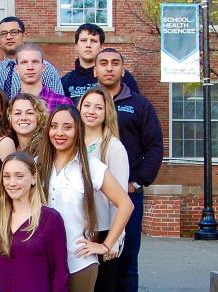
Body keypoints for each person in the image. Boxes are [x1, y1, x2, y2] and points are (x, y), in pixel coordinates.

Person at [38, 105, 133, 292]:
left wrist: (105, 246)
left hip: (78, 262)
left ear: (78, 130)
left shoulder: (92, 167)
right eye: (54, 126)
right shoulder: (37, 165)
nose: (59, 132)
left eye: (67, 127)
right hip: (42, 260)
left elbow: (125, 205)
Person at [95, 48, 164, 292]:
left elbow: (154, 147)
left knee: (125, 261)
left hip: (127, 194)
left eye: (115, 63)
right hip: (93, 196)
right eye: (103, 63)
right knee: (95, 260)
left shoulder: (139, 105)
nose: (109, 67)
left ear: (123, 70)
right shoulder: (86, 105)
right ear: (95, 70)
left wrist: (136, 183)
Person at [0, 151, 69, 292]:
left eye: (19, 176)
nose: (12, 183)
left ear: (34, 178)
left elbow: (60, 274)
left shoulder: (51, 219)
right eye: (6, 176)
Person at [78, 87, 130, 292]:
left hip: (104, 230)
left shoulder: (113, 147)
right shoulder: (73, 142)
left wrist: (113, 241)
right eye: (87, 105)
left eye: (98, 107)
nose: (91, 111)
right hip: (80, 228)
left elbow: (121, 200)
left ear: (107, 112)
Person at [61, 23, 140, 104]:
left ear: (101, 46)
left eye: (93, 41)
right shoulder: (66, 81)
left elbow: (137, 106)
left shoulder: (121, 76)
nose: (88, 45)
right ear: (76, 45)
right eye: (83, 40)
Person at [0, 16, 64, 99]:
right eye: (3, 34)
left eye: (14, 32)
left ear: (24, 36)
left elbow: (59, 104)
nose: (9, 37)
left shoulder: (46, 68)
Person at [16, 43, 73, 112]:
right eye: (24, 62)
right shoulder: (12, 105)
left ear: (43, 67)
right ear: (16, 69)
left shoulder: (62, 103)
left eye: (35, 62)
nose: (30, 67)